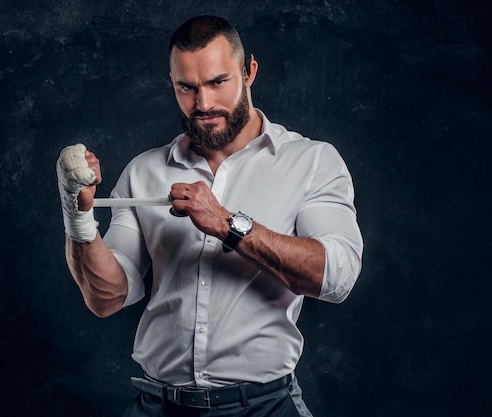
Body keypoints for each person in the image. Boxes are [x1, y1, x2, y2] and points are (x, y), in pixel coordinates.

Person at [56, 15, 363, 417]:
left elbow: (336, 277)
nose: (203, 104)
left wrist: (226, 224)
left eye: (218, 82)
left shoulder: (311, 162)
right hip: (158, 407)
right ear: (172, 82)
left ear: (248, 71)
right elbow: (107, 298)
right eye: (187, 87)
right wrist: (77, 218)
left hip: (265, 407)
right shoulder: (144, 171)